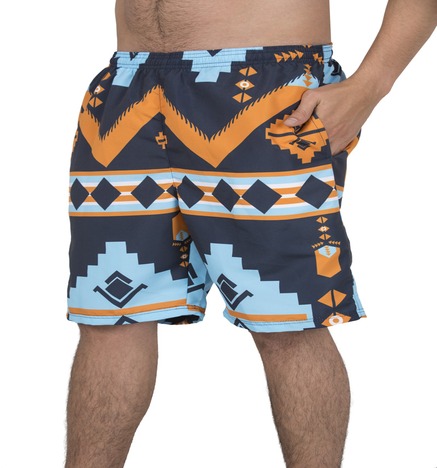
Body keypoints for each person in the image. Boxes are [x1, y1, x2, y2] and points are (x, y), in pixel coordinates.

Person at [65, 0, 437, 466]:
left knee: (289, 323)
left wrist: (370, 85)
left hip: (265, 88)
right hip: (128, 86)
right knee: (109, 318)